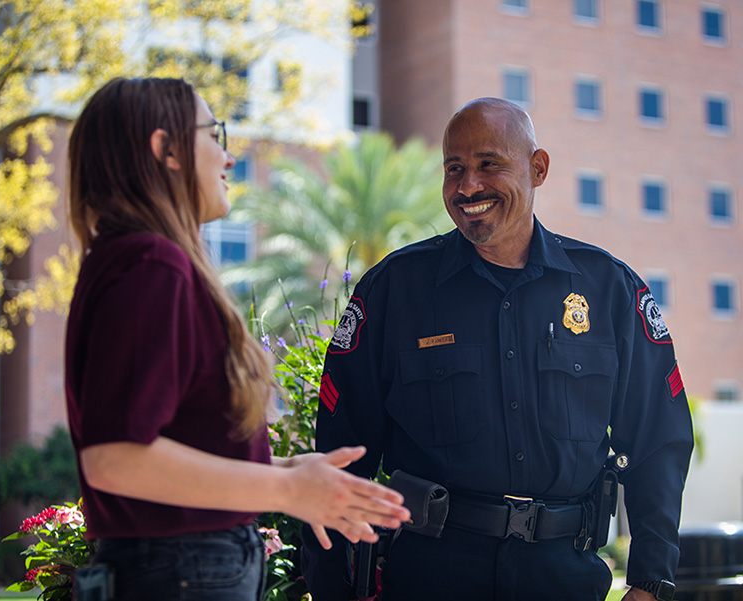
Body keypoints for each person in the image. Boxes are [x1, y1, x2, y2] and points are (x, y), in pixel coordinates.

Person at [301, 98, 693, 601]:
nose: (468, 186)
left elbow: (659, 441)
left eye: (489, 164)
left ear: (538, 168)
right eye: (454, 169)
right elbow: (341, 455)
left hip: (565, 579)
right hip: (431, 578)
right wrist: (330, 589)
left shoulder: (610, 289)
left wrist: (650, 582)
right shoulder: (394, 291)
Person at [64, 77, 410, 601]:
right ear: (166, 149)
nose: (228, 157)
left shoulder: (131, 261)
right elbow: (114, 458)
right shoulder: (150, 265)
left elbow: (167, 448)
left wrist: (285, 469)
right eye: (214, 134)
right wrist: (287, 489)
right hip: (180, 572)